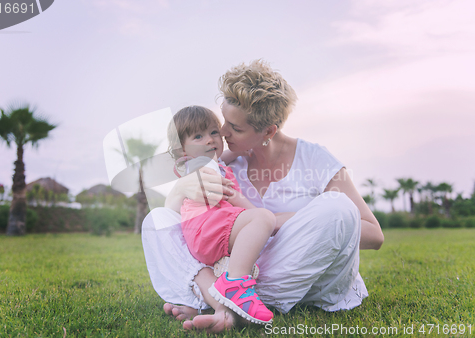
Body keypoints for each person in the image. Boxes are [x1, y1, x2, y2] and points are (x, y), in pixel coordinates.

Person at [142, 59, 384, 333]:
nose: (221, 133)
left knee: (339, 207)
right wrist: (180, 189)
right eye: (223, 122)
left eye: (235, 128)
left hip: (297, 269)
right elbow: (180, 222)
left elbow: (374, 234)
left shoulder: (315, 158)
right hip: (241, 273)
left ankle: (208, 296)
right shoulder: (224, 161)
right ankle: (226, 298)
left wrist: (284, 221)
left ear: (268, 131)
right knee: (156, 219)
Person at [167, 105, 276, 324]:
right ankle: (235, 284)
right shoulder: (200, 167)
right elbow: (228, 193)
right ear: (182, 151)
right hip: (207, 227)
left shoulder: (215, 164)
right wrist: (258, 215)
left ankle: (208, 307)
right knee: (264, 218)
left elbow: (220, 156)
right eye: (198, 136)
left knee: (241, 253)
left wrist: (237, 150)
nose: (209, 140)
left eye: (213, 132)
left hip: (208, 234)